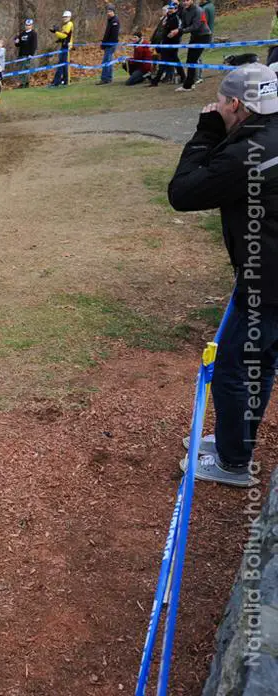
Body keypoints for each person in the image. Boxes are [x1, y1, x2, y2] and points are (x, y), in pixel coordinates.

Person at [168, 63, 278, 487]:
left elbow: (184, 192)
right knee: (261, 362)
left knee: (236, 367)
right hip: (265, 273)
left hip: (267, 282)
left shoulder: (247, 153)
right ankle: (236, 442)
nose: (215, 107)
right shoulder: (265, 134)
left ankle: (234, 462)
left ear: (235, 104)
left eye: (220, 102)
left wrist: (207, 131)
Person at [176, 0, 212, 92]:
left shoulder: (198, 10)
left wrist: (180, 31)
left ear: (192, 1)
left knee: (193, 59)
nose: (185, 2)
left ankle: (189, 84)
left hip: (204, 36)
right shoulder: (184, 11)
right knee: (190, 60)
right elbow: (183, 25)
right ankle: (190, 83)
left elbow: (195, 26)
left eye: (187, 0)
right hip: (194, 37)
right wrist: (177, 32)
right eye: (183, 1)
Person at [149, 3, 183, 87]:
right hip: (165, 43)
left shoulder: (175, 18)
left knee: (165, 62)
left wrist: (169, 39)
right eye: (170, 8)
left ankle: (155, 81)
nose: (171, 10)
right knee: (174, 61)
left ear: (176, 9)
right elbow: (163, 31)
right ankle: (183, 77)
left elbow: (176, 32)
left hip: (172, 44)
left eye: (173, 8)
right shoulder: (167, 18)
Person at [50, 10, 74, 87]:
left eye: (66, 17)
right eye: (63, 17)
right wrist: (59, 39)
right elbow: (63, 37)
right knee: (63, 65)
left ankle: (56, 82)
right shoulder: (64, 25)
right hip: (63, 46)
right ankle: (65, 80)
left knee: (61, 64)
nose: (64, 18)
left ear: (70, 17)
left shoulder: (69, 24)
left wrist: (56, 32)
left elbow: (65, 36)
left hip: (67, 47)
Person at [98, 5, 121, 85]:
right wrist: (103, 43)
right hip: (108, 44)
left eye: (110, 11)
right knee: (109, 61)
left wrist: (107, 44)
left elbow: (113, 35)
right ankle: (109, 78)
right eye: (108, 11)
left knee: (106, 61)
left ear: (113, 12)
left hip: (110, 44)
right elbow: (107, 33)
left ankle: (105, 79)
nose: (108, 13)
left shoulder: (115, 21)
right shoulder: (110, 20)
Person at [13, 19, 38, 88]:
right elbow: (18, 45)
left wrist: (31, 54)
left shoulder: (33, 33)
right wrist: (16, 41)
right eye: (26, 25)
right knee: (21, 69)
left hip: (27, 55)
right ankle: (22, 83)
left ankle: (25, 83)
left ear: (31, 25)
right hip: (21, 54)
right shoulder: (22, 33)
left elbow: (34, 45)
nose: (27, 26)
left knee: (25, 69)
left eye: (29, 25)